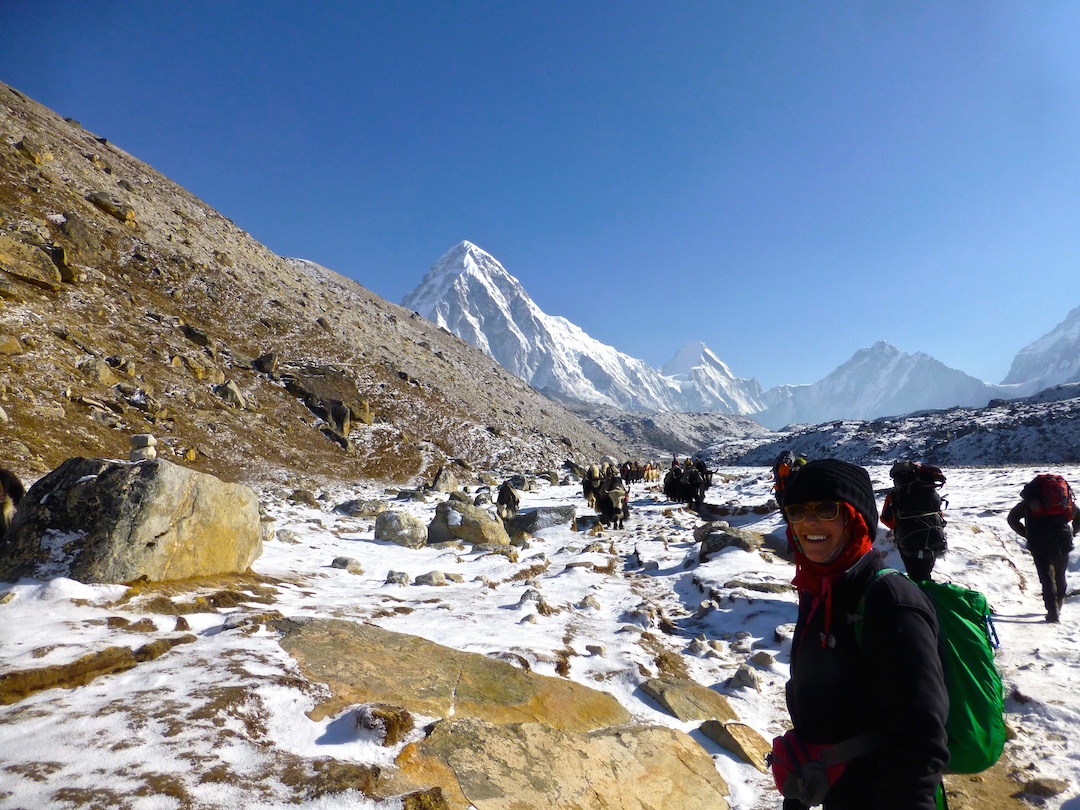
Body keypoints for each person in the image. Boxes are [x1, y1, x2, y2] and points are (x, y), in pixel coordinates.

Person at [777, 459, 949, 810]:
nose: (809, 522)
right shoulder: (821, 587)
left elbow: (919, 741)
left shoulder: (890, 603)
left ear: (854, 520)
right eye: (797, 511)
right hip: (835, 787)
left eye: (826, 509)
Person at [1007, 474, 1080, 623]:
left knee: (1046, 577)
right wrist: (1073, 532)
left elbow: (1012, 519)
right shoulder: (1064, 501)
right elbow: (1078, 516)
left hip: (1039, 540)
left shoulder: (1029, 503)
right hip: (1062, 539)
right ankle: (1058, 606)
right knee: (1060, 575)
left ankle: (1052, 611)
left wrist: (1026, 533)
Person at [880, 461, 948, 582]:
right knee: (926, 573)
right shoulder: (931, 491)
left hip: (908, 542)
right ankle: (928, 587)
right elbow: (940, 514)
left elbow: (886, 519)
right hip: (935, 539)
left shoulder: (894, 496)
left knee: (915, 575)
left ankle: (919, 590)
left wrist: (900, 525)